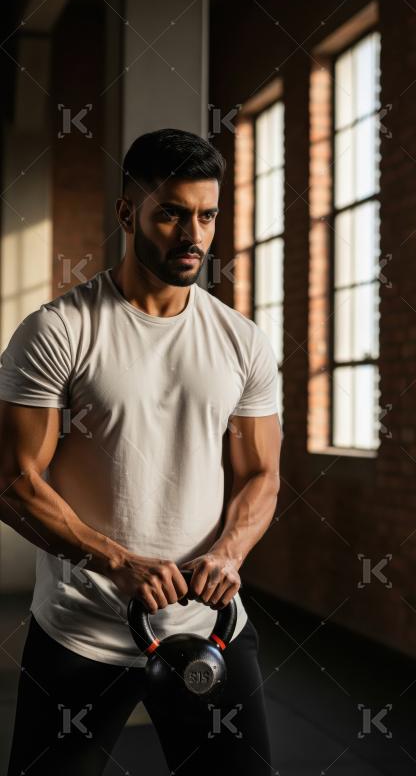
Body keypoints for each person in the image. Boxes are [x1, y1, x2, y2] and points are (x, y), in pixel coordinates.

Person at [0, 128, 283, 775]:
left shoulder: (240, 342)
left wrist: (229, 552)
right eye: (172, 213)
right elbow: (13, 481)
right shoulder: (59, 331)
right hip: (82, 631)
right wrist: (118, 561)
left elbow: (261, 474)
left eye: (207, 216)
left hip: (209, 627)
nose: (193, 235)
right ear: (128, 213)